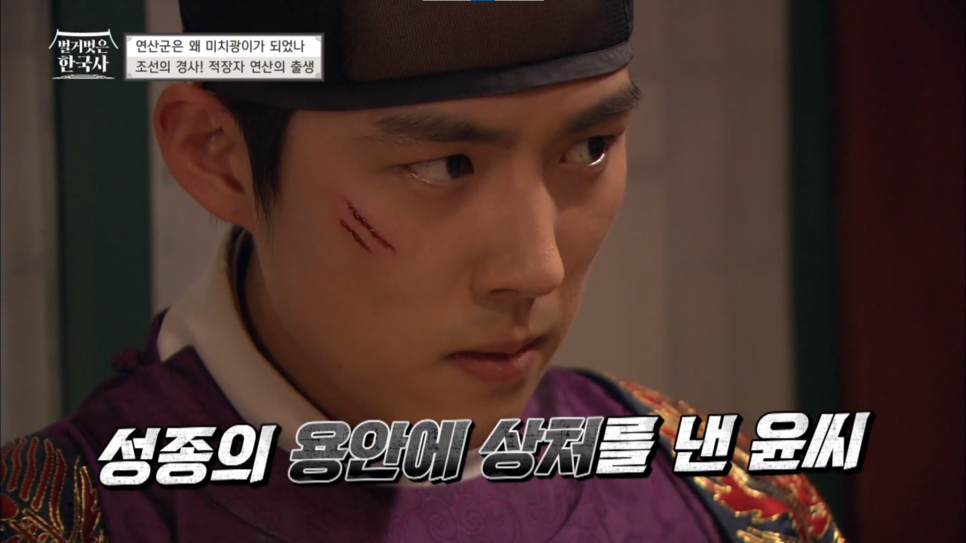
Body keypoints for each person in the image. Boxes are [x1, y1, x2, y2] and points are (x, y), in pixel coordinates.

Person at [1, 1, 843, 541]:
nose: (536, 267)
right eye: (444, 166)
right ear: (218, 156)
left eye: (589, 148)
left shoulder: (729, 498)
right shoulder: (63, 516)